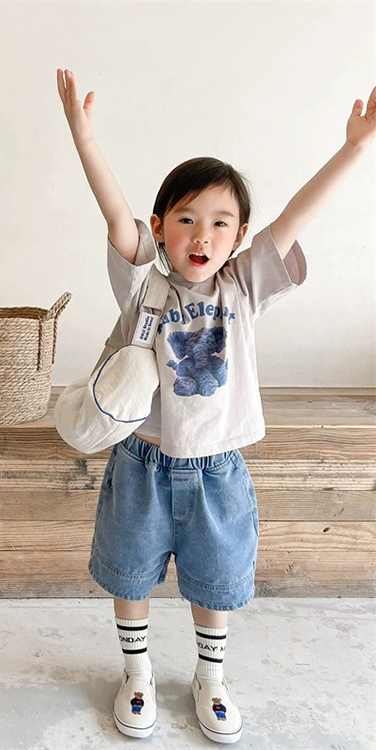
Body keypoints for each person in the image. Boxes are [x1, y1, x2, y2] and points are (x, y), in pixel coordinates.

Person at [56, 67, 375, 744]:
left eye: (219, 223)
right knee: (130, 574)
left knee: (216, 582)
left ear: (239, 235)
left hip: (217, 469)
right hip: (142, 462)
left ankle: (211, 678)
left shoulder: (244, 286)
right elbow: (114, 215)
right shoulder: (142, 286)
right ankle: (137, 672)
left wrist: (354, 149)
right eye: (186, 219)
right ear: (160, 228)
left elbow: (295, 217)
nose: (202, 235)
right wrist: (85, 139)